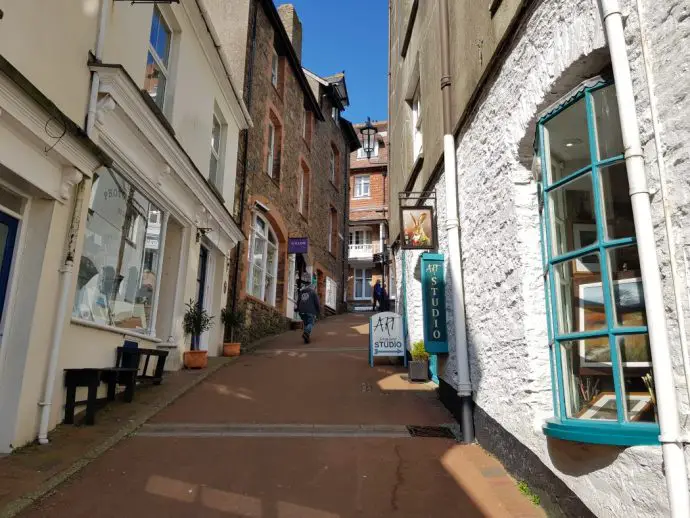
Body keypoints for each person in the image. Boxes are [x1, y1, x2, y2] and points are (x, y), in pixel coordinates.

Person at [297, 273, 320, 343]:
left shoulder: (301, 292)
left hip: (302, 311)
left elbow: (298, 301)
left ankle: (306, 339)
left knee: (306, 324)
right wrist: (318, 311)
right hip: (310, 311)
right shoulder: (313, 293)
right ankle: (306, 333)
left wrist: (298, 309)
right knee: (310, 323)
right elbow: (317, 303)